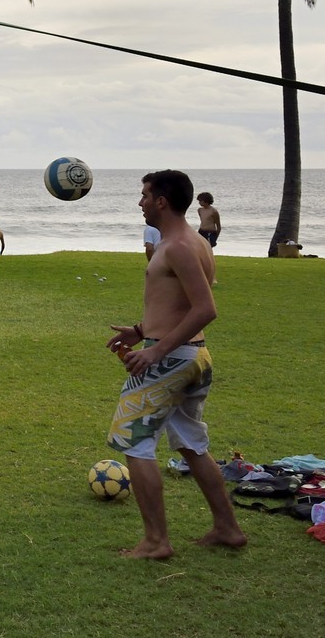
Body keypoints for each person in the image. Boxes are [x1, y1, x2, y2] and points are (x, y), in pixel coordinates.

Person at [105, 169, 245, 559]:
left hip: (172, 359)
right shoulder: (195, 242)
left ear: (161, 201)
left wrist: (155, 350)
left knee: (135, 440)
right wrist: (139, 329)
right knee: (192, 445)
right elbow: (179, 303)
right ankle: (227, 528)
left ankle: (155, 541)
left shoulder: (179, 246)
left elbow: (205, 309)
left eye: (145, 195)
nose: (141, 202)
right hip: (192, 356)